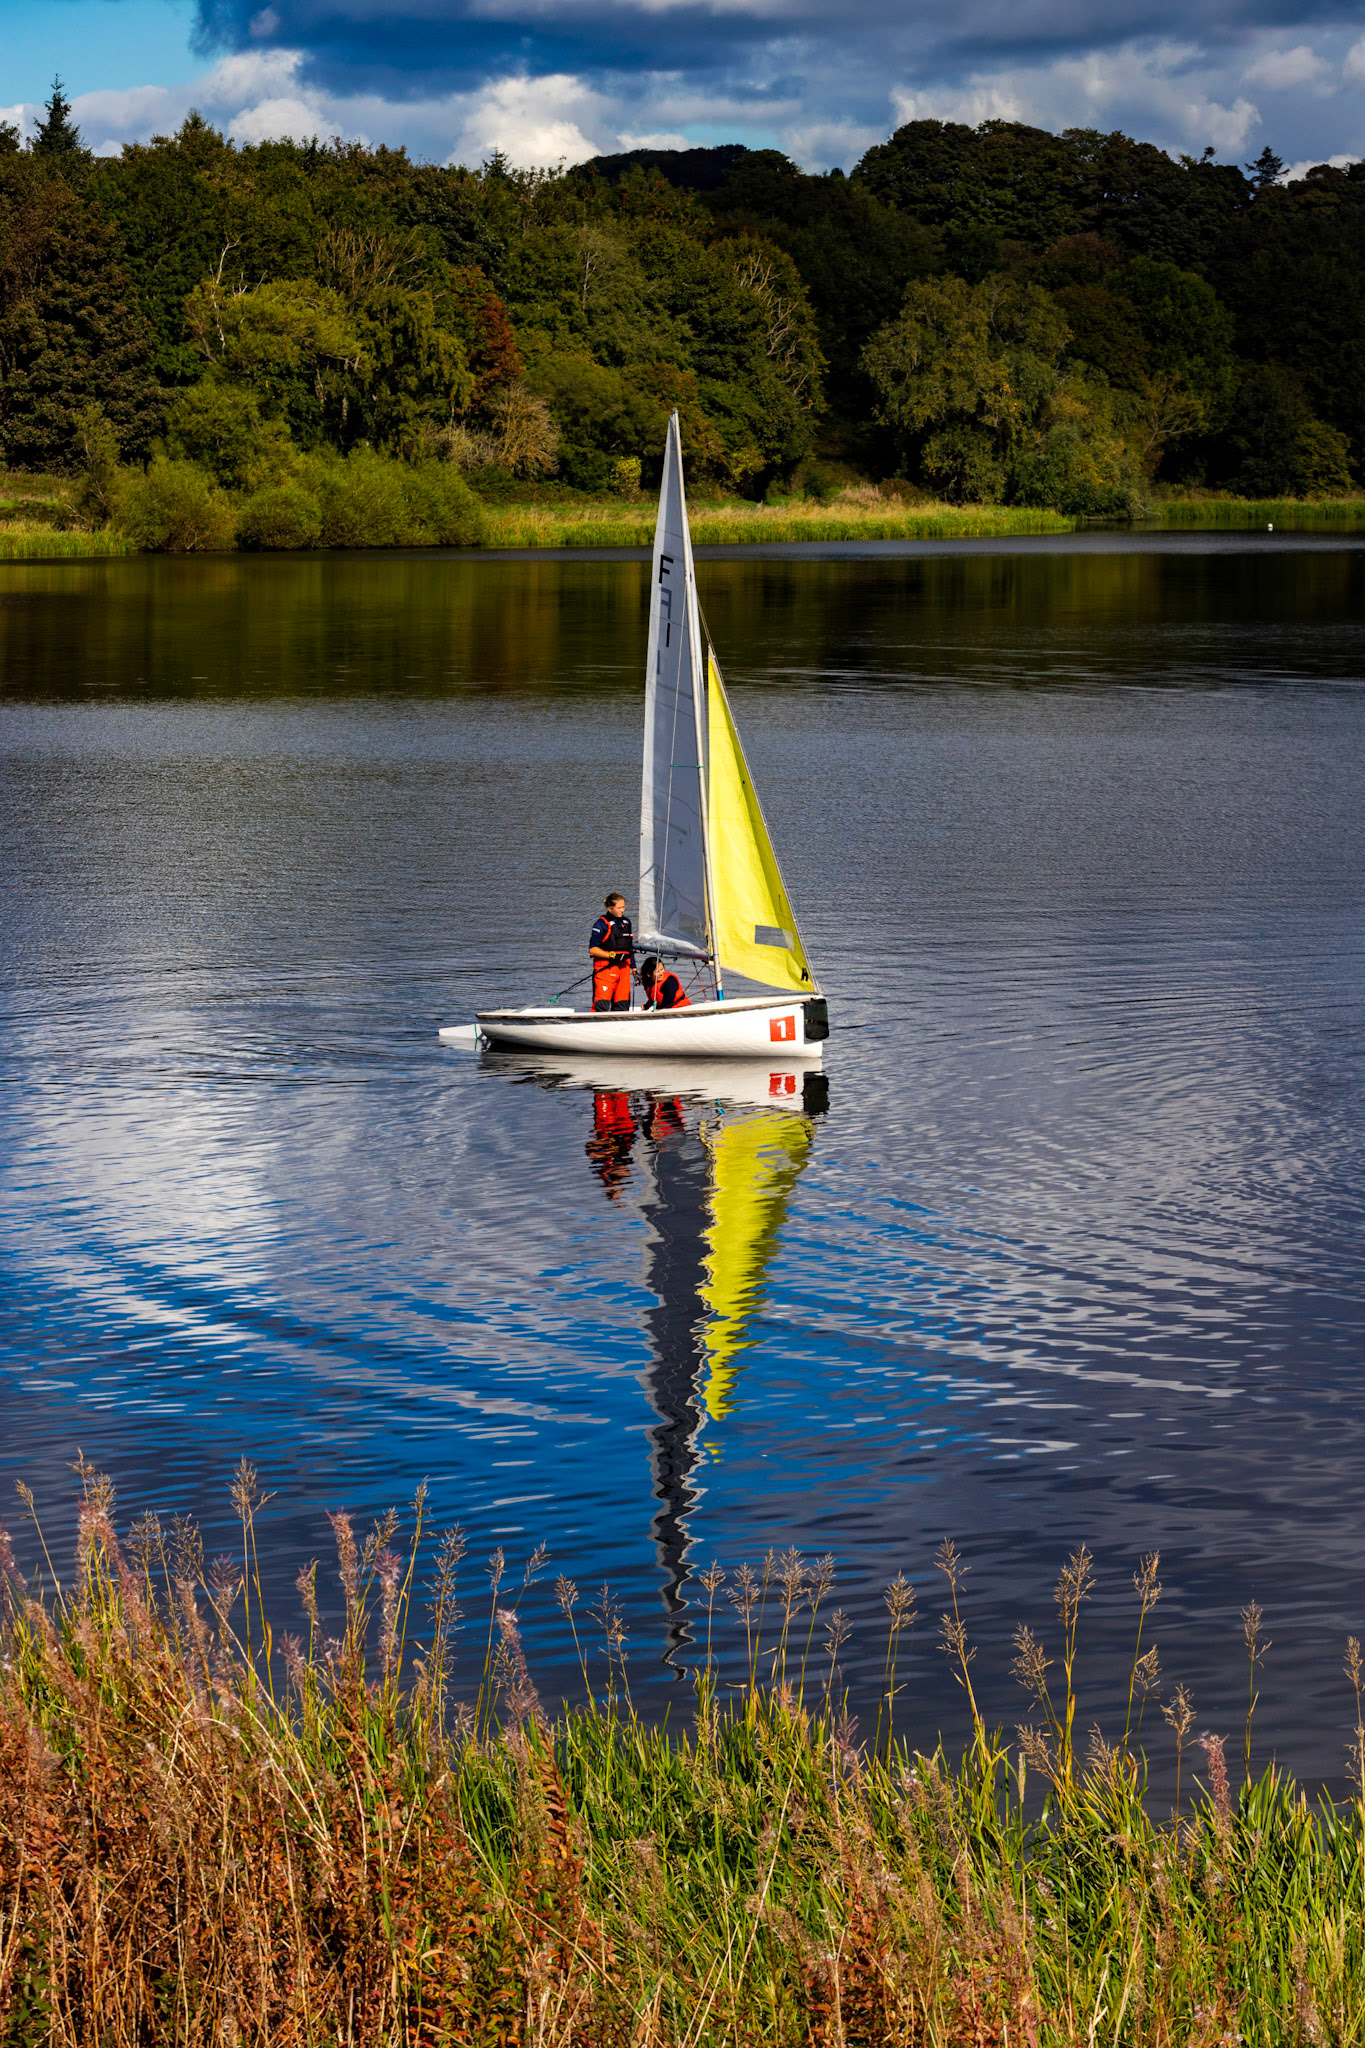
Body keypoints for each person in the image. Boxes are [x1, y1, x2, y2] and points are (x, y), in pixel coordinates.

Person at [589, 892, 635, 1011]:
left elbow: (629, 948)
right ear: (610, 908)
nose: (622, 910)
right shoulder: (601, 924)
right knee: (602, 1003)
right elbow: (592, 949)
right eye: (619, 908)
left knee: (622, 1003)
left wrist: (634, 969)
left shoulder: (627, 922)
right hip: (606, 968)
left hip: (624, 968)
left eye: (624, 907)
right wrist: (612, 956)